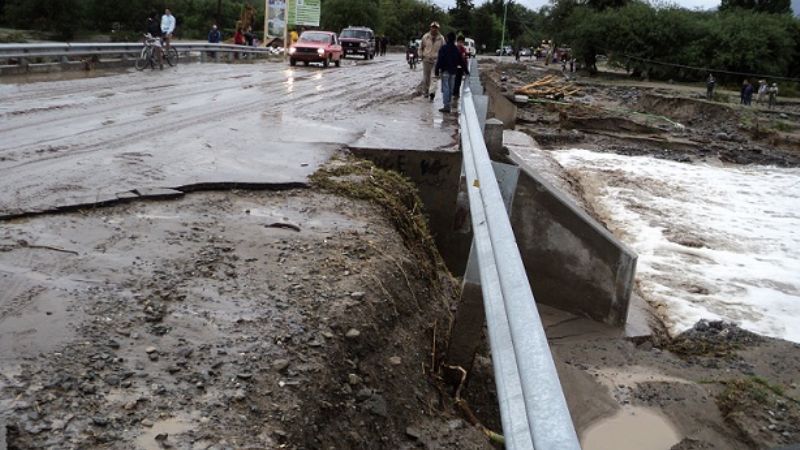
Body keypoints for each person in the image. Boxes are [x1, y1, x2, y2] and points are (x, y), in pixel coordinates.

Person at [435, 32, 462, 114]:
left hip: (445, 71)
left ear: (447, 39)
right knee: (451, 88)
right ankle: (448, 105)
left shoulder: (443, 48)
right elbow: (461, 61)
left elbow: (440, 60)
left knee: (446, 88)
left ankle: (446, 106)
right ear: (454, 39)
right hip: (453, 72)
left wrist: (437, 69)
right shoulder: (456, 49)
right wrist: (466, 71)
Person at [419, 22, 445, 101]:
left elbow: (443, 50)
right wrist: (421, 55)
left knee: (434, 77)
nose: (434, 29)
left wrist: (442, 59)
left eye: (436, 28)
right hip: (426, 59)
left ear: (438, 29)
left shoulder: (441, 38)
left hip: (436, 60)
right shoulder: (425, 37)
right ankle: (426, 92)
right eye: (433, 27)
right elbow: (421, 47)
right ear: (430, 28)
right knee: (426, 77)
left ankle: (432, 93)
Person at [453, 34, 470, 100]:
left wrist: (465, 70)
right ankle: (455, 93)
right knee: (454, 82)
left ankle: (456, 94)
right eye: (459, 42)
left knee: (458, 82)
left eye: (462, 42)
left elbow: (464, 60)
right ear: (457, 42)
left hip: (460, 69)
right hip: (454, 68)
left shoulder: (463, 49)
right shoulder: (454, 49)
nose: (460, 43)